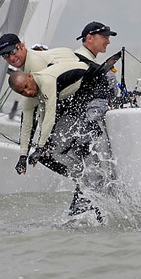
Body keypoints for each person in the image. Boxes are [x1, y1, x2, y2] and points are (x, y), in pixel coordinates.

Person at [9, 56, 119, 219]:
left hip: (100, 83)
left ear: (30, 77)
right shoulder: (30, 96)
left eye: (26, 87)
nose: (27, 92)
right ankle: (83, 182)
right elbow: (27, 126)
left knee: (83, 138)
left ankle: (99, 188)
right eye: (21, 92)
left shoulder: (46, 82)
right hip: (81, 96)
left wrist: (40, 147)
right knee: (47, 155)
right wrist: (23, 156)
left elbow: (49, 116)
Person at [0, 33, 77, 73]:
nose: (11, 58)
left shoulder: (34, 63)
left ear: (22, 46)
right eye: (5, 55)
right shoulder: (29, 59)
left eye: (13, 51)